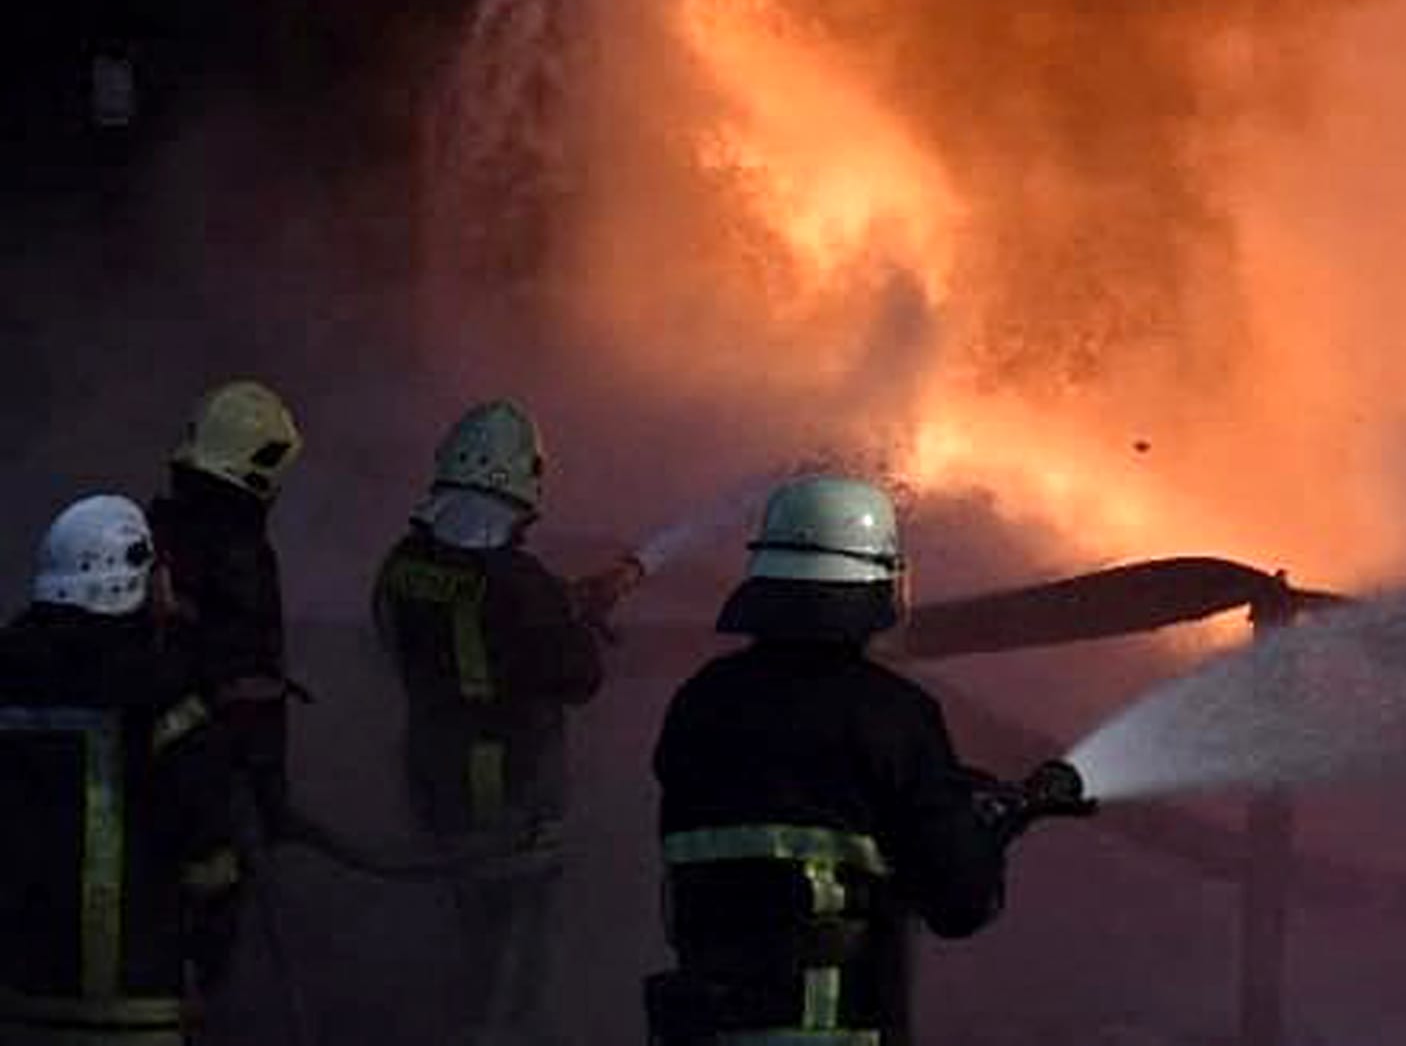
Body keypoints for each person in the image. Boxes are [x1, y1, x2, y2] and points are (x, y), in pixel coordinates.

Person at [647, 473, 1091, 1046]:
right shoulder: (893, 714)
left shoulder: (700, 701)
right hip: (830, 1029)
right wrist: (990, 828)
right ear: (880, 583)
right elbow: (957, 903)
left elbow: (797, 806)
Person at [370, 397, 631, 1045]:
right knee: (508, 961)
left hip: (429, 770)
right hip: (509, 792)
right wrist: (571, 619)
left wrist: (562, 601)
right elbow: (580, 678)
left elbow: (466, 617)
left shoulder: (404, 562)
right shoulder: (522, 584)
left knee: (443, 932)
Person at [0, 493, 242, 1043]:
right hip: (135, 1008)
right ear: (136, 579)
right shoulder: (162, 697)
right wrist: (210, 963)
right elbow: (210, 858)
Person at [149, 379, 303, 834]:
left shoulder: (159, 527)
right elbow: (249, 682)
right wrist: (269, 795)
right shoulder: (239, 555)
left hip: (155, 768)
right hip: (216, 776)